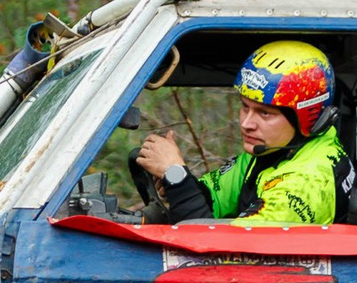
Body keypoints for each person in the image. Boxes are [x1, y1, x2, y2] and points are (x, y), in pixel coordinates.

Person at [135, 40, 343, 226]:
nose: (246, 123)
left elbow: (218, 253)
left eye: (264, 113)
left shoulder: (304, 185)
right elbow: (212, 200)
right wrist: (176, 184)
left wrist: (176, 176)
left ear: (307, 118)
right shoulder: (272, 152)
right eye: (245, 107)